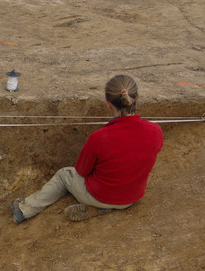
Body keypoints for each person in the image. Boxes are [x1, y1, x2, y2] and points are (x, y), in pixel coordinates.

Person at [11, 75, 163, 223]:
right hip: (132, 197)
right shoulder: (156, 131)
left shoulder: (100, 137)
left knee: (64, 175)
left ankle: (24, 210)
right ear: (136, 98)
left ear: (108, 103)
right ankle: (102, 210)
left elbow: (82, 171)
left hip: (100, 196)